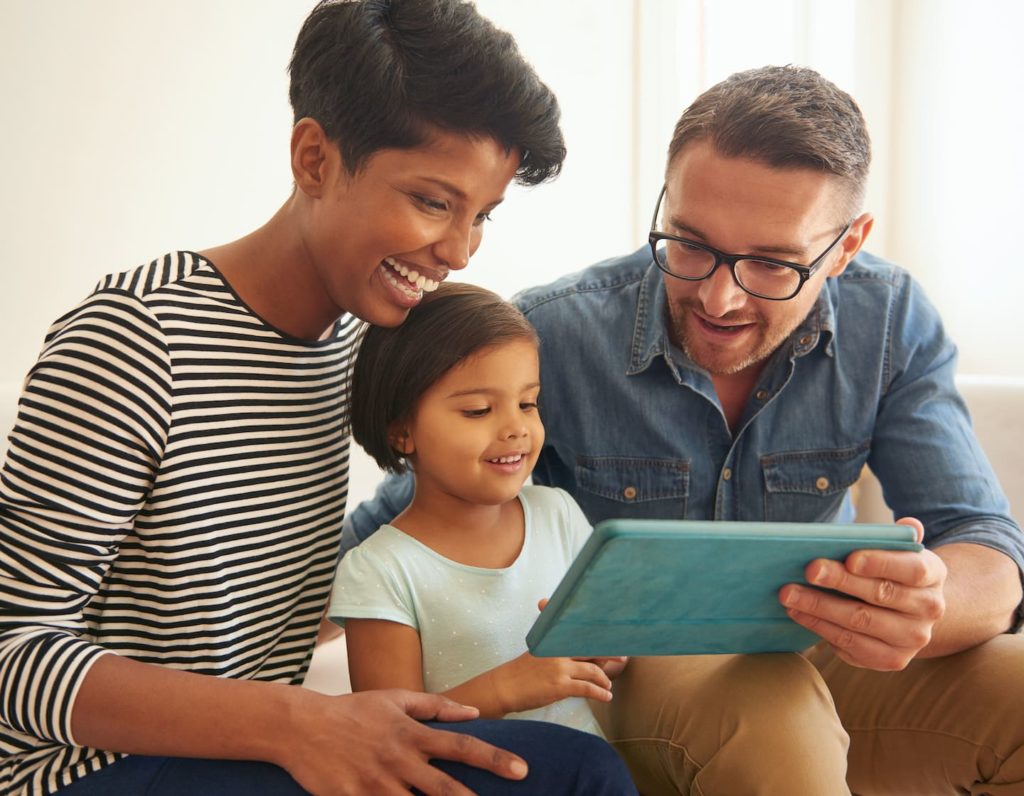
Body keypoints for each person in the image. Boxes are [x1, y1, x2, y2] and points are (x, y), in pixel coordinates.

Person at [0, 1, 639, 794]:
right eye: (435, 202)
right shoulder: (137, 338)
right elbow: (13, 653)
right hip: (91, 772)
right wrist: (303, 722)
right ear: (314, 159)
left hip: (256, 751)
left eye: (483, 214)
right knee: (578, 776)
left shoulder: (356, 342)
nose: (459, 249)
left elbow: (358, 554)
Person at [344, 65, 1024, 794]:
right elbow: (394, 533)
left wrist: (926, 608)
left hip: (826, 655)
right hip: (626, 677)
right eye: (690, 242)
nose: (718, 296)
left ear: (847, 246)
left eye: (771, 263)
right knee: (768, 713)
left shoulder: (889, 318)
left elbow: (984, 544)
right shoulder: (553, 334)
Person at [328, 282, 630, 745]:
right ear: (402, 431)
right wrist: (504, 688)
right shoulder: (380, 571)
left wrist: (604, 653)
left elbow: (605, 647)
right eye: (478, 410)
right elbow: (390, 736)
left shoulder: (558, 514)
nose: (516, 428)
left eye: (528, 403)